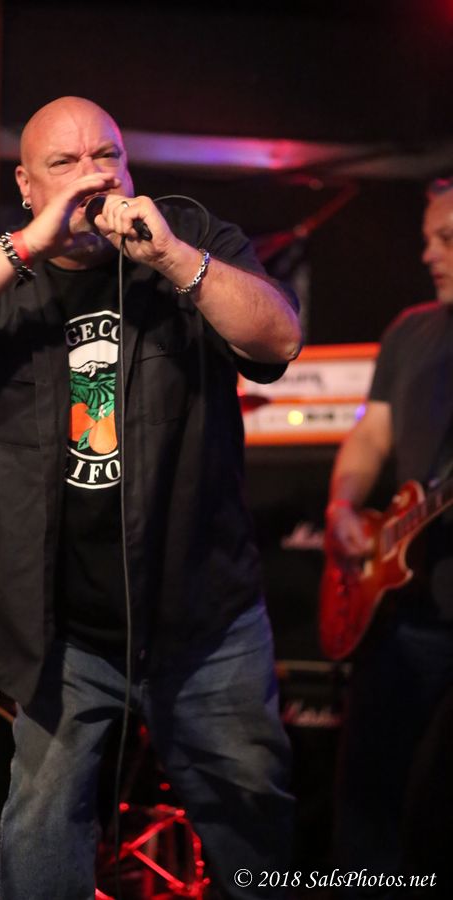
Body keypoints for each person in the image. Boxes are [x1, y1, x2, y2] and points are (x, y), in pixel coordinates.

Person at [0, 96, 302, 899]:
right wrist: (29, 245)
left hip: (205, 621)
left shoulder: (188, 236)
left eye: (106, 156)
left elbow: (278, 338)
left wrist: (173, 258)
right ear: (26, 185)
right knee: (40, 837)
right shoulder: (2, 271)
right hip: (63, 634)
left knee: (254, 831)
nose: (92, 176)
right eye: (64, 164)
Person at [324, 177, 453, 895]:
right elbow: (373, 435)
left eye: (447, 239)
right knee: (369, 800)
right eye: (428, 238)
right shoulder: (411, 330)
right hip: (405, 612)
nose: (429, 254)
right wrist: (344, 504)